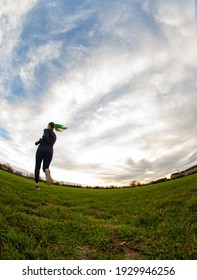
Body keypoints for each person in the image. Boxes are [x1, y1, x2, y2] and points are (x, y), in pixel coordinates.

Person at [34, 122, 67, 190]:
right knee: (45, 168)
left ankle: (37, 185)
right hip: (50, 152)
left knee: (37, 166)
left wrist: (37, 142)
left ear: (49, 126)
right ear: (53, 127)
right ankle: (46, 171)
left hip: (41, 149)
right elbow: (49, 141)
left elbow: (45, 137)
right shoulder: (55, 136)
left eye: (47, 125)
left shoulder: (46, 130)